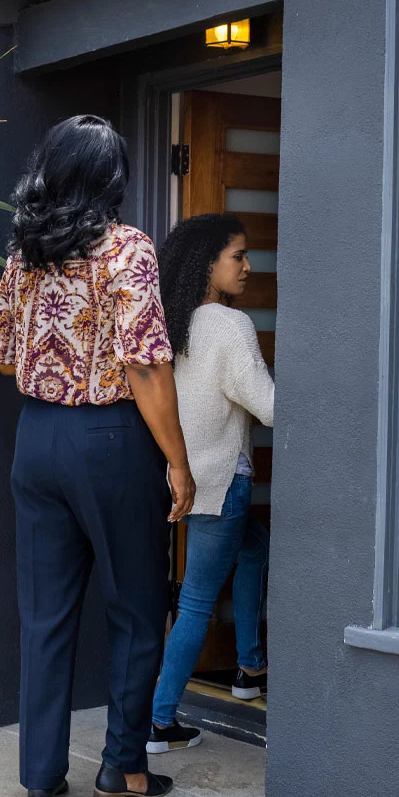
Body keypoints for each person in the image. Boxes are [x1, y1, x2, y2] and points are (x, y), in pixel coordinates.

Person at [0, 115, 195, 797]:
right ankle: (123, 769)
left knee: (44, 615)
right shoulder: (127, 249)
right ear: (111, 177)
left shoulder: (25, 252)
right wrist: (178, 463)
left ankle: (40, 778)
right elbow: (146, 365)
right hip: (109, 439)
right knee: (136, 607)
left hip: (36, 436)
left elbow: (5, 353)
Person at [145, 213, 273, 756]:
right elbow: (267, 406)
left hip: (180, 482)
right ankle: (159, 721)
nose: (248, 267)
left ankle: (247, 666)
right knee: (197, 602)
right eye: (237, 257)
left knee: (254, 548)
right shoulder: (229, 325)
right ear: (208, 264)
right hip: (222, 483)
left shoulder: (170, 322)